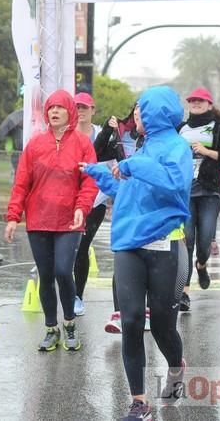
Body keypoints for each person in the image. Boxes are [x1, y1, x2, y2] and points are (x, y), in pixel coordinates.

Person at [83, 86, 192, 420]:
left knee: (162, 327)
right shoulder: (142, 149)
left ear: (157, 112)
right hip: (129, 246)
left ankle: (176, 367)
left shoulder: (178, 148)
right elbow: (130, 193)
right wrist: (101, 173)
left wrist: (133, 167)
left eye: (141, 111)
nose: (136, 117)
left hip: (166, 247)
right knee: (130, 321)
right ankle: (139, 401)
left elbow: (174, 184)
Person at [4, 89, 97, 352]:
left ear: (69, 111)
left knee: (62, 271)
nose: (54, 112)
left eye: (60, 108)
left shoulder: (82, 143)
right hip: (39, 219)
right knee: (45, 275)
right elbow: (21, 183)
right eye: (51, 108)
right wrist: (13, 217)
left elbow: (89, 181)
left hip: (70, 219)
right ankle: (51, 329)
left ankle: (69, 324)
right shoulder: (35, 144)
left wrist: (82, 207)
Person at [177, 87, 220, 311]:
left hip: (210, 190)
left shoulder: (218, 127)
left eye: (200, 100)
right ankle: (184, 291)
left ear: (210, 104)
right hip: (185, 191)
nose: (195, 103)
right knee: (188, 239)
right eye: (192, 100)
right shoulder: (181, 128)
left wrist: (206, 151)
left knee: (204, 242)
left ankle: (201, 265)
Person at [94, 104, 149, 333]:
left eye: (143, 111)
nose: (138, 114)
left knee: (146, 260)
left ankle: (146, 311)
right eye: (135, 110)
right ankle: (119, 313)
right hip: (125, 204)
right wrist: (108, 129)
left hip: (148, 207)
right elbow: (96, 154)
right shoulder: (122, 135)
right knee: (123, 257)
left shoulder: (161, 141)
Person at [72, 92, 104, 316]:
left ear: (93, 110)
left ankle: (77, 296)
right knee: (68, 248)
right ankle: (66, 291)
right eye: (77, 107)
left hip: (96, 200)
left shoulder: (103, 134)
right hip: (69, 199)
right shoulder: (65, 134)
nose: (80, 111)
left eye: (85, 107)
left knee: (82, 247)